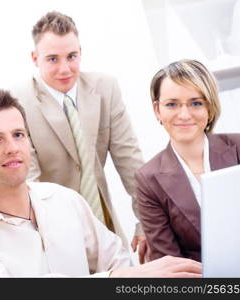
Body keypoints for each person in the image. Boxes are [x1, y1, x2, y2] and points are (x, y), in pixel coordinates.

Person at [0, 86, 201, 277]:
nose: (12, 147)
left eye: (18, 134)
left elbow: (119, 263)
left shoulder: (64, 200)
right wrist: (114, 279)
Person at [10, 11, 146, 263]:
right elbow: (29, 185)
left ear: (80, 51)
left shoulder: (106, 88)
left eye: (72, 56)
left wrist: (146, 222)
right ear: (35, 58)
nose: (65, 69)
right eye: (52, 59)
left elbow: (131, 161)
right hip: (53, 236)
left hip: (106, 226)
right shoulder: (17, 103)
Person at [136, 59, 240, 262]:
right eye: (172, 104)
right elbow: (170, 264)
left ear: (209, 107)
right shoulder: (148, 180)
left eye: (196, 103)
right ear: (158, 110)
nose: (184, 114)